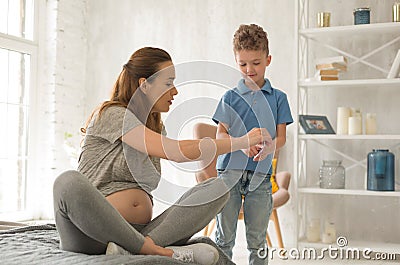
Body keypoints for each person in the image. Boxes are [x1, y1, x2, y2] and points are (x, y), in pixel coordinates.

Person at [53, 47, 271, 265]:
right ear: (144, 85)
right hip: (91, 233)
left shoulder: (157, 127)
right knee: (67, 182)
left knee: (218, 187)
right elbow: (177, 152)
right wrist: (241, 141)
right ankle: (145, 248)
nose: (175, 91)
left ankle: (137, 248)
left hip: (142, 232)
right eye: (168, 83)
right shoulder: (114, 114)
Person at [212, 24, 293, 265]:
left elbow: (281, 138)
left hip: (261, 175)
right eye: (243, 64)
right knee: (224, 239)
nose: (249, 70)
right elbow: (220, 136)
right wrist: (241, 144)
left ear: (268, 59)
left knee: (257, 241)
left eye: (256, 63)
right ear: (236, 61)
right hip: (229, 174)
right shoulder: (229, 97)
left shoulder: (279, 98)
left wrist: (270, 147)